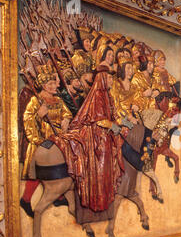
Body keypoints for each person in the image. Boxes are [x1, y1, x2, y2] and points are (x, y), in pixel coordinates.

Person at [50, 65, 132, 224]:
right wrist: (113, 126)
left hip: (105, 137)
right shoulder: (97, 96)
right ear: (101, 79)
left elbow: (114, 115)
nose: (111, 80)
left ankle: (104, 205)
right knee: (98, 170)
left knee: (107, 169)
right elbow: (98, 119)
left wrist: (126, 123)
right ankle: (94, 202)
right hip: (94, 138)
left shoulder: (108, 96)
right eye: (108, 78)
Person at [20, 65, 73, 217]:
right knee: (38, 172)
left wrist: (66, 120)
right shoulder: (35, 101)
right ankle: (25, 199)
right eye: (51, 84)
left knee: (59, 167)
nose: (56, 85)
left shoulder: (57, 100)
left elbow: (66, 113)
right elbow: (27, 120)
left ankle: (59, 196)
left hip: (57, 138)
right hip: (41, 140)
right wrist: (39, 116)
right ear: (44, 86)